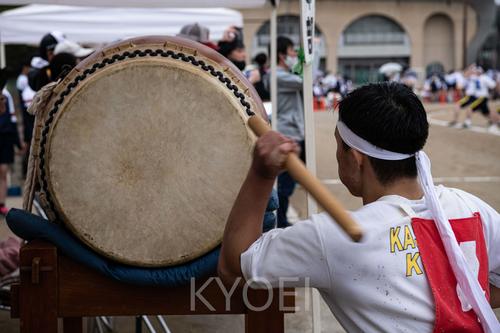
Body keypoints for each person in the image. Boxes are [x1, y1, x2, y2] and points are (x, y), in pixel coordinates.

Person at [218, 82, 500, 332]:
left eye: (339, 147)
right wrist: (458, 301)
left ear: (355, 158)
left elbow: (233, 267)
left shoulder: (333, 238)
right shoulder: (471, 208)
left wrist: (261, 174)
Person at [273, 36, 305, 228]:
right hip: (287, 133)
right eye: (292, 51)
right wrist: (312, 53)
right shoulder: (277, 75)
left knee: (288, 183)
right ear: (282, 55)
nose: (295, 55)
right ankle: (281, 221)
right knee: (285, 184)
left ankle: (282, 219)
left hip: (293, 131)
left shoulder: (283, 73)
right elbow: (304, 80)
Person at [0, 69, 25, 216]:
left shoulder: (6, 96)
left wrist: (18, 142)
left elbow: (12, 120)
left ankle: (1, 203)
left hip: (5, 137)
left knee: (3, 171)